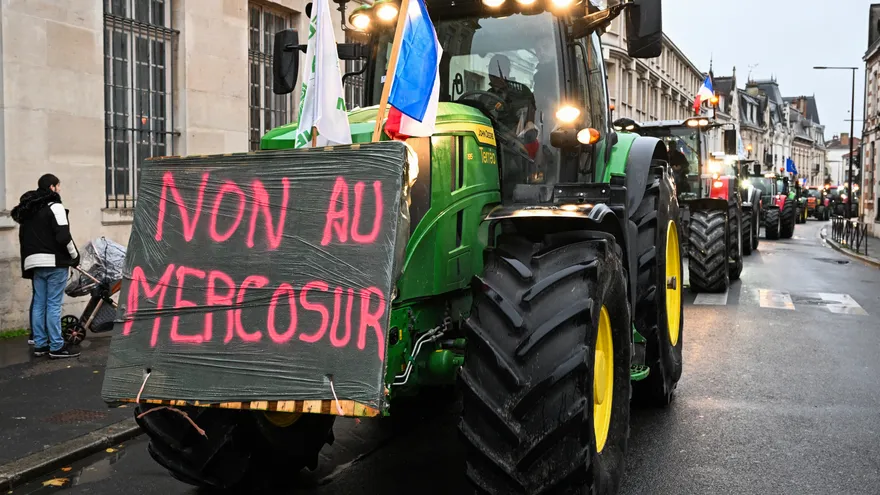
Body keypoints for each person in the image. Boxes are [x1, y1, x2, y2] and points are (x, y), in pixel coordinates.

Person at [11, 174, 80, 358]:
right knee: (53, 305)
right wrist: (75, 256)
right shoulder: (55, 207)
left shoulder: (29, 211)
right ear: (51, 187)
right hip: (54, 262)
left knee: (39, 304)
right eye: (58, 186)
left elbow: (23, 239)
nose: (59, 189)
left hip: (34, 263)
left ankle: (40, 344)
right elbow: (64, 236)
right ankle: (56, 346)